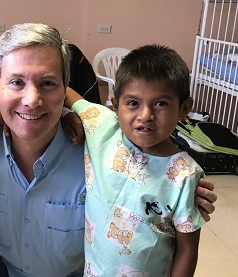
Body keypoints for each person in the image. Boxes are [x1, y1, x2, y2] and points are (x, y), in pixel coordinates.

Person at [0, 23, 217, 277]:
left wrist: (179, 188)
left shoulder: (100, 148)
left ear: (65, 90)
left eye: (47, 83)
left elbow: (153, 169)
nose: (32, 100)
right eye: (16, 83)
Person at [65, 44, 204, 276]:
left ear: (184, 108)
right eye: (132, 103)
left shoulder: (184, 175)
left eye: (160, 103)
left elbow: (187, 250)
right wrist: (67, 113)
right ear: (115, 104)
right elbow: (65, 92)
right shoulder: (102, 126)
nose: (145, 115)